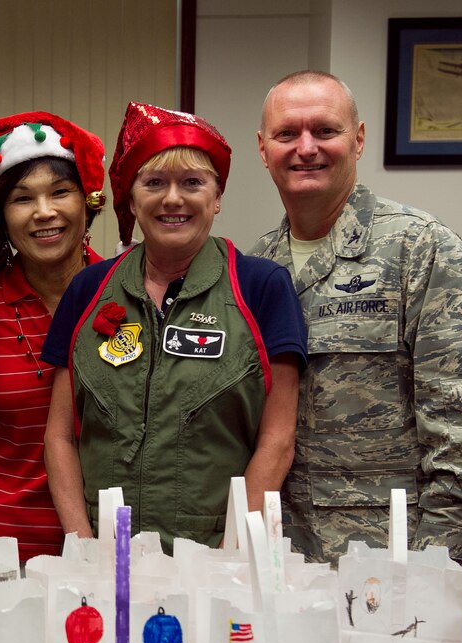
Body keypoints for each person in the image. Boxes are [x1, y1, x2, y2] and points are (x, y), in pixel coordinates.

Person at [252, 70, 462, 582]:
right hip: (279, 562)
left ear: (358, 139)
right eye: (287, 133)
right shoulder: (254, 269)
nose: (306, 148)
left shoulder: (421, 251)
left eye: (325, 131)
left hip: (392, 563)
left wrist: (428, 567)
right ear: (263, 148)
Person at [42, 103, 307, 550]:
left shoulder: (261, 287)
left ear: (217, 197)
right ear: (131, 197)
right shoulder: (89, 289)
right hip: (106, 553)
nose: (172, 199)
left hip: (215, 555)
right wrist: (82, 545)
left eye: (192, 183)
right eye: (154, 183)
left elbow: (277, 440)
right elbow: (59, 435)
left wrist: (231, 555)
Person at [0, 112, 106, 561]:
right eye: (23, 198)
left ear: (88, 202)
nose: (44, 212)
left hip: (115, 541)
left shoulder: (126, 293)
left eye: (60, 192)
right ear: (2, 219)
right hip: (4, 543)